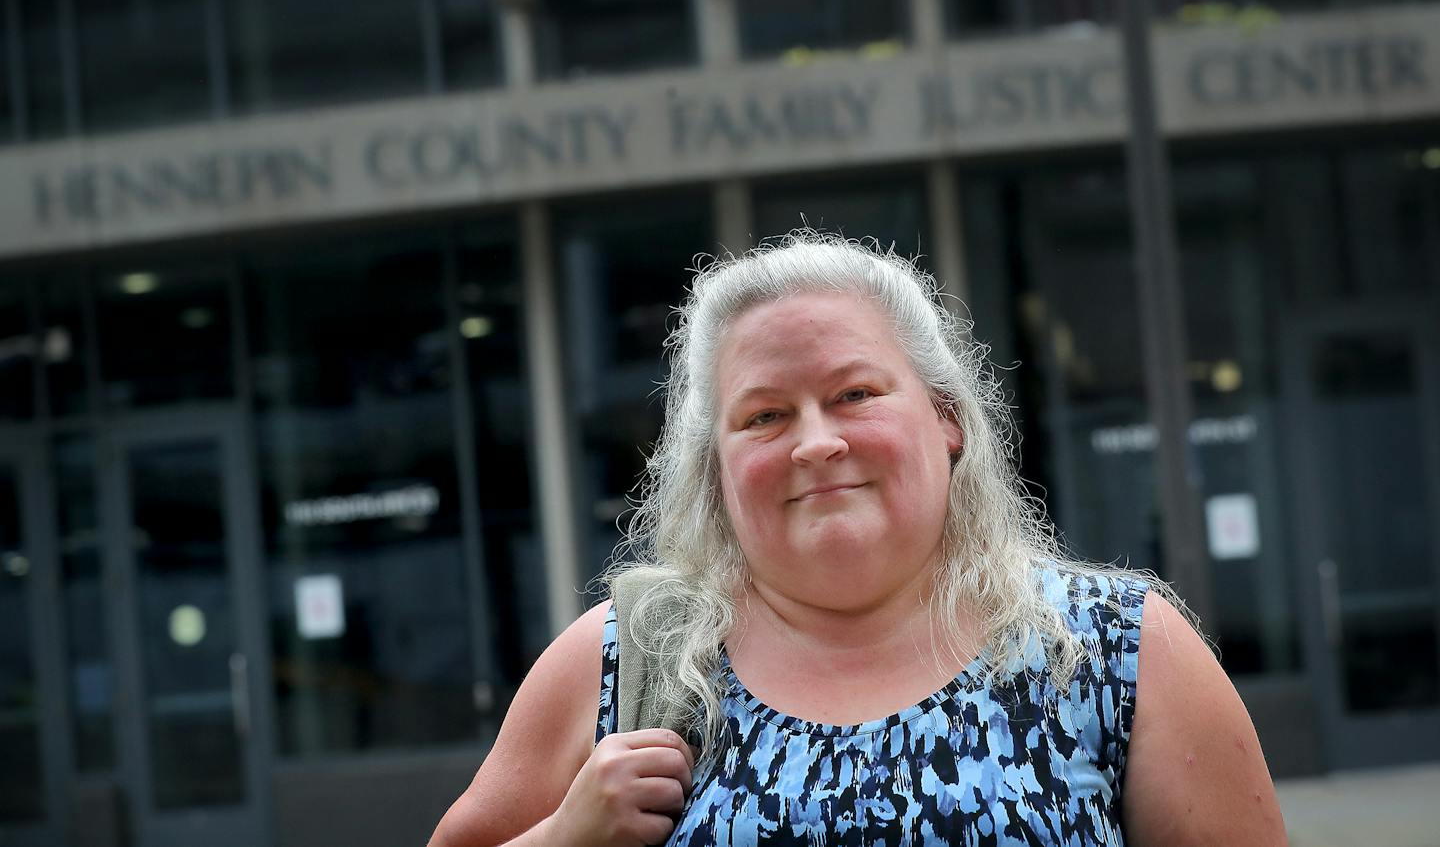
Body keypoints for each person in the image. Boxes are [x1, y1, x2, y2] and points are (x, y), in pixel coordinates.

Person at [429, 233, 1286, 847]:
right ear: (714, 465)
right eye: (765, 415)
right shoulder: (624, 658)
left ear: (947, 419)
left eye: (855, 394)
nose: (815, 442)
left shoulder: (1113, 652)